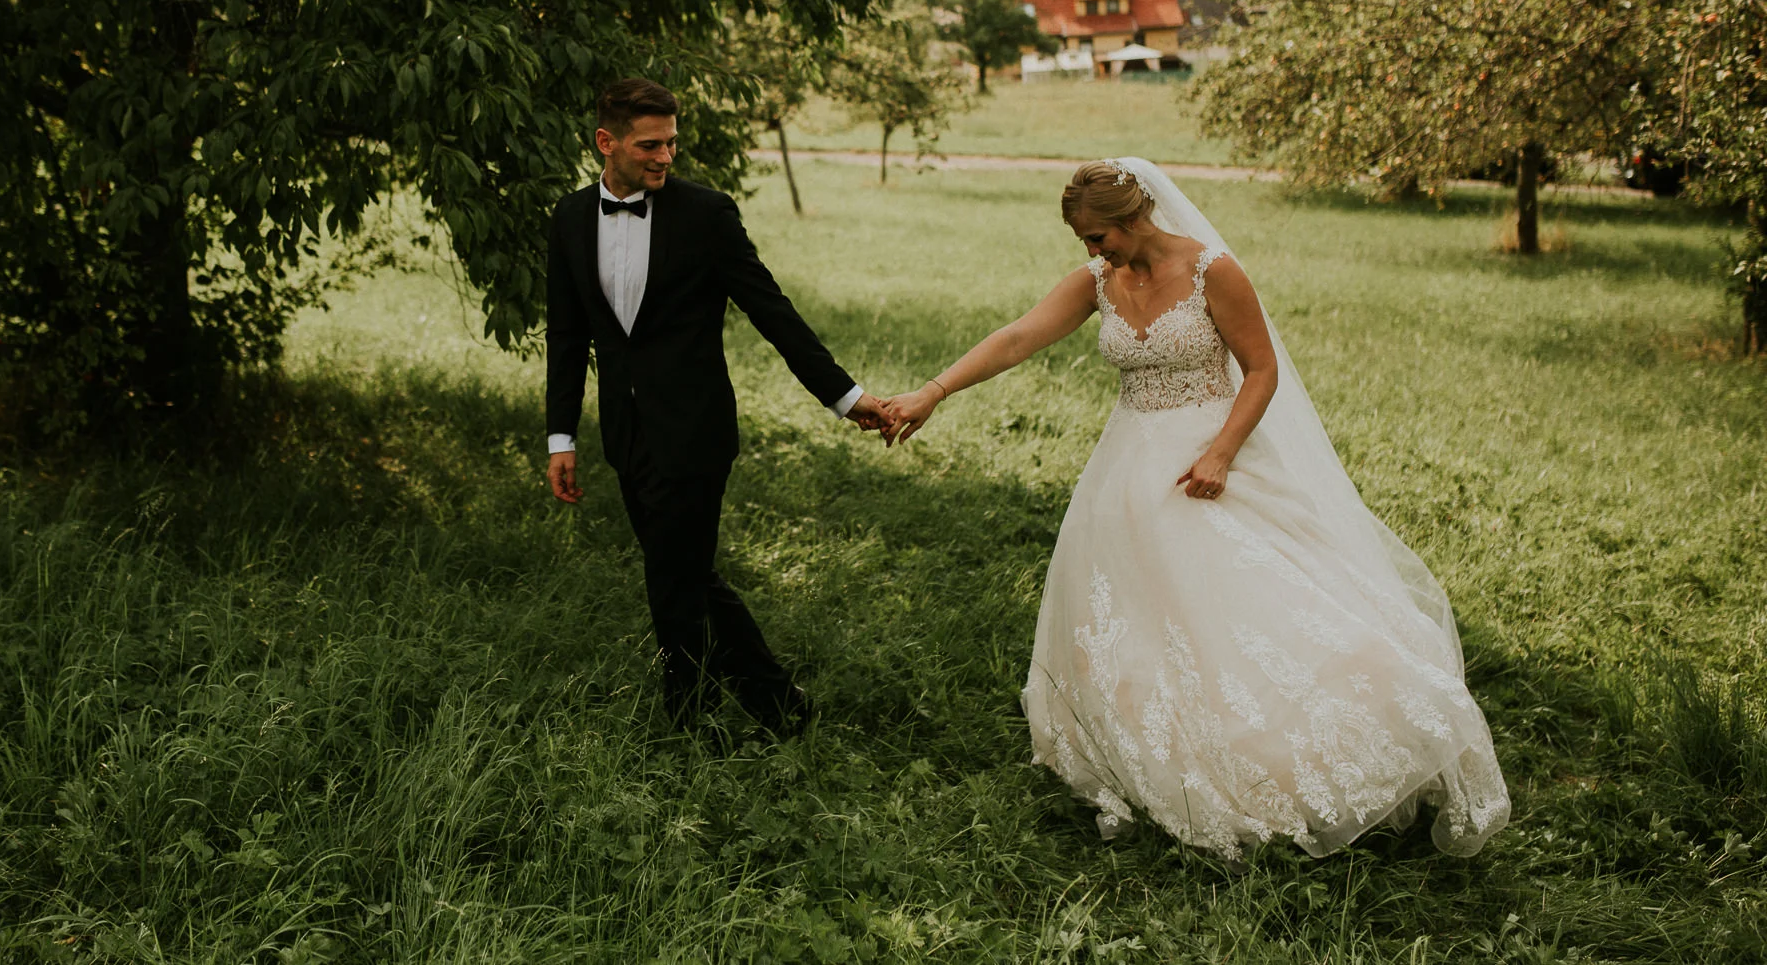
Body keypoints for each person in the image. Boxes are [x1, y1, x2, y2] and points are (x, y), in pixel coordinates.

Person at [879, 158, 1510, 858]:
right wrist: (933, 392)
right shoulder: (1098, 281)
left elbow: (1262, 368)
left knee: (1255, 608)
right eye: (1085, 241)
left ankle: (1299, 753)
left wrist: (1221, 452)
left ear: (1130, 217)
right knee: (1142, 616)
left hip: (1212, 458)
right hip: (1127, 471)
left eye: (1098, 237)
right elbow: (1019, 336)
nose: (1092, 251)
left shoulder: (1213, 270)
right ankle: (1158, 751)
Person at [545, 78, 892, 738]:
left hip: (695, 431)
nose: (665, 157)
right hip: (625, 431)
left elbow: (772, 310)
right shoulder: (568, 218)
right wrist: (562, 435)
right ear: (605, 141)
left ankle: (687, 718)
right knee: (685, 573)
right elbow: (566, 335)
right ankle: (779, 703)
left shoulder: (706, 215)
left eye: (672, 143)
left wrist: (845, 397)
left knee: (673, 579)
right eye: (650, 144)